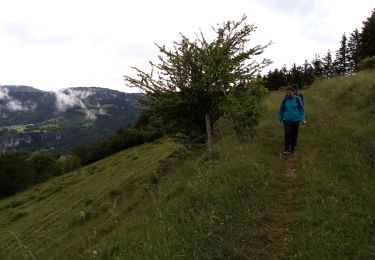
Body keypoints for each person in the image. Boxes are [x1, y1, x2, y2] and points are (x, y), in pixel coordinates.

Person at [278, 86, 306, 155]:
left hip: (296, 120)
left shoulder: (297, 99)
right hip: (286, 119)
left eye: (290, 92)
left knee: (294, 134)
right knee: (287, 133)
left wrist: (303, 119)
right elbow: (281, 110)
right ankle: (287, 148)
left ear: (293, 92)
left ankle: (293, 149)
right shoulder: (285, 100)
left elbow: (301, 110)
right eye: (287, 92)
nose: (288, 94)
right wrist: (279, 119)